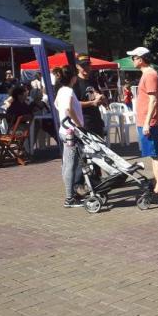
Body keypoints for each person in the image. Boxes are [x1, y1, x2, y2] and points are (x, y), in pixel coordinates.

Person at [128, 47, 158, 195]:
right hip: (146, 120)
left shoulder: (150, 75)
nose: (132, 60)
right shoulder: (148, 74)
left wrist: (147, 122)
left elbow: (153, 100)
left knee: (155, 153)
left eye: (134, 58)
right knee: (153, 153)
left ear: (141, 59)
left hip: (149, 121)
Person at [53, 66, 85, 208]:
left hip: (65, 130)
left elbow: (57, 106)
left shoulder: (61, 90)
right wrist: (79, 124)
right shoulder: (68, 91)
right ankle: (69, 198)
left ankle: (71, 194)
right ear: (73, 78)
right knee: (70, 165)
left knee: (68, 163)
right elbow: (67, 109)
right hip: (70, 131)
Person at [74, 54, 106, 137]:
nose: (86, 67)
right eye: (83, 65)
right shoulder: (75, 82)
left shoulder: (92, 79)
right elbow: (74, 104)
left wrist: (102, 98)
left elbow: (98, 95)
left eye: (87, 64)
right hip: (83, 123)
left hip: (96, 121)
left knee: (101, 148)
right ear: (77, 66)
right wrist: (92, 103)